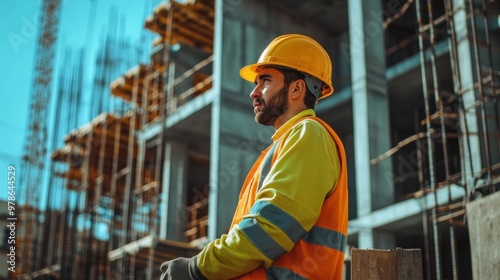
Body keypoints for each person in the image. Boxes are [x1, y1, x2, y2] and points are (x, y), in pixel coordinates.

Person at [159, 34, 348, 280]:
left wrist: (197, 268)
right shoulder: (285, 144)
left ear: (297, 88)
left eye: (265, 81)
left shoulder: (308, 134)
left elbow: (269, 228)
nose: (254, 93)